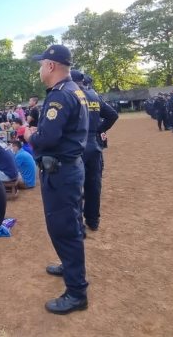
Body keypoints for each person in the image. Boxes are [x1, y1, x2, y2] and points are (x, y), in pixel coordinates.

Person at [24, 44, 89, 314]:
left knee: (63, 228)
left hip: (61, 172)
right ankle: (68, 266)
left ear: (51, 66)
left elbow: (48, 138)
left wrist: (29, 136)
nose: (40, 69)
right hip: (69, 168)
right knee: (70, 223)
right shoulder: (74, 90)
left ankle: (76, 293)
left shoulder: (60, 95)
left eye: (41, 64)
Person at [71, 70, 118, 232]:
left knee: (75, 187)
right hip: (94, 146)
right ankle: (93, 220)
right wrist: (98, 130)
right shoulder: (94, 95)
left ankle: (79, 226)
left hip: (77, 147)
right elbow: (112, 115)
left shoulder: (71, 95)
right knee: (93, 185)